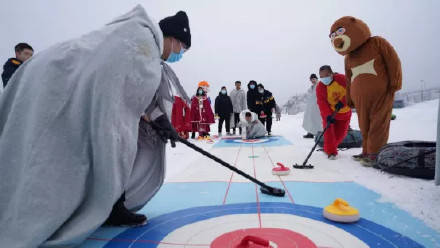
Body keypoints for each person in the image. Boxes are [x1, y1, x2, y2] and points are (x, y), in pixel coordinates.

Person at [0, 6, 191, 247]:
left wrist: (160, 120)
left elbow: (133, 91)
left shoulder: (141, 44)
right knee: (102, 147)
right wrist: (157, 120)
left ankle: (109, 203)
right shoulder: (140, 44)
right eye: (182, 48)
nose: (180, 54)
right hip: (55, 86)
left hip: (55, 80)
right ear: (173, 39)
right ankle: (80, 207)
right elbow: (123, 95)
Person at [330, 16, 402, 166]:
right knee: (364, 125)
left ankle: (375, 153)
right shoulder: (348, 58)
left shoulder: (377, 43)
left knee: (378, 123)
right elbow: (349, 79)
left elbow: (393, 61)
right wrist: (349, 98)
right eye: (333, 36)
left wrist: (395, 81)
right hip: (360, 98)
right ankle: (366, 151)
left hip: (380, 93)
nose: (337, 39)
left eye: (340, 32)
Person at [316, 65, 352, 160]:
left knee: (341, 134)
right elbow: (321, 102)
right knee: (329, 133)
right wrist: (327, 115)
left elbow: (352, 90)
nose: (324, 79)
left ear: (331, 74)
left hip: (345, 113)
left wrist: (343, 102)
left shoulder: (341, 79)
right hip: (331, 113)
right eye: (321, 77)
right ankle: (331, 152)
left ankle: (329, 148)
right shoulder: (320, 87)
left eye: (326, 75)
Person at [302, 73, 323, 138]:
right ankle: (310, 133)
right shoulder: (311, 88)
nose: (312, 80)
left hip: (317, 107)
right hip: (311, 107)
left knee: (318, 120)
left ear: (316, 79)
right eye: (311, 79)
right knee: (310, 120)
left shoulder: (320, 85)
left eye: (314, 79)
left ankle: (319, 133)